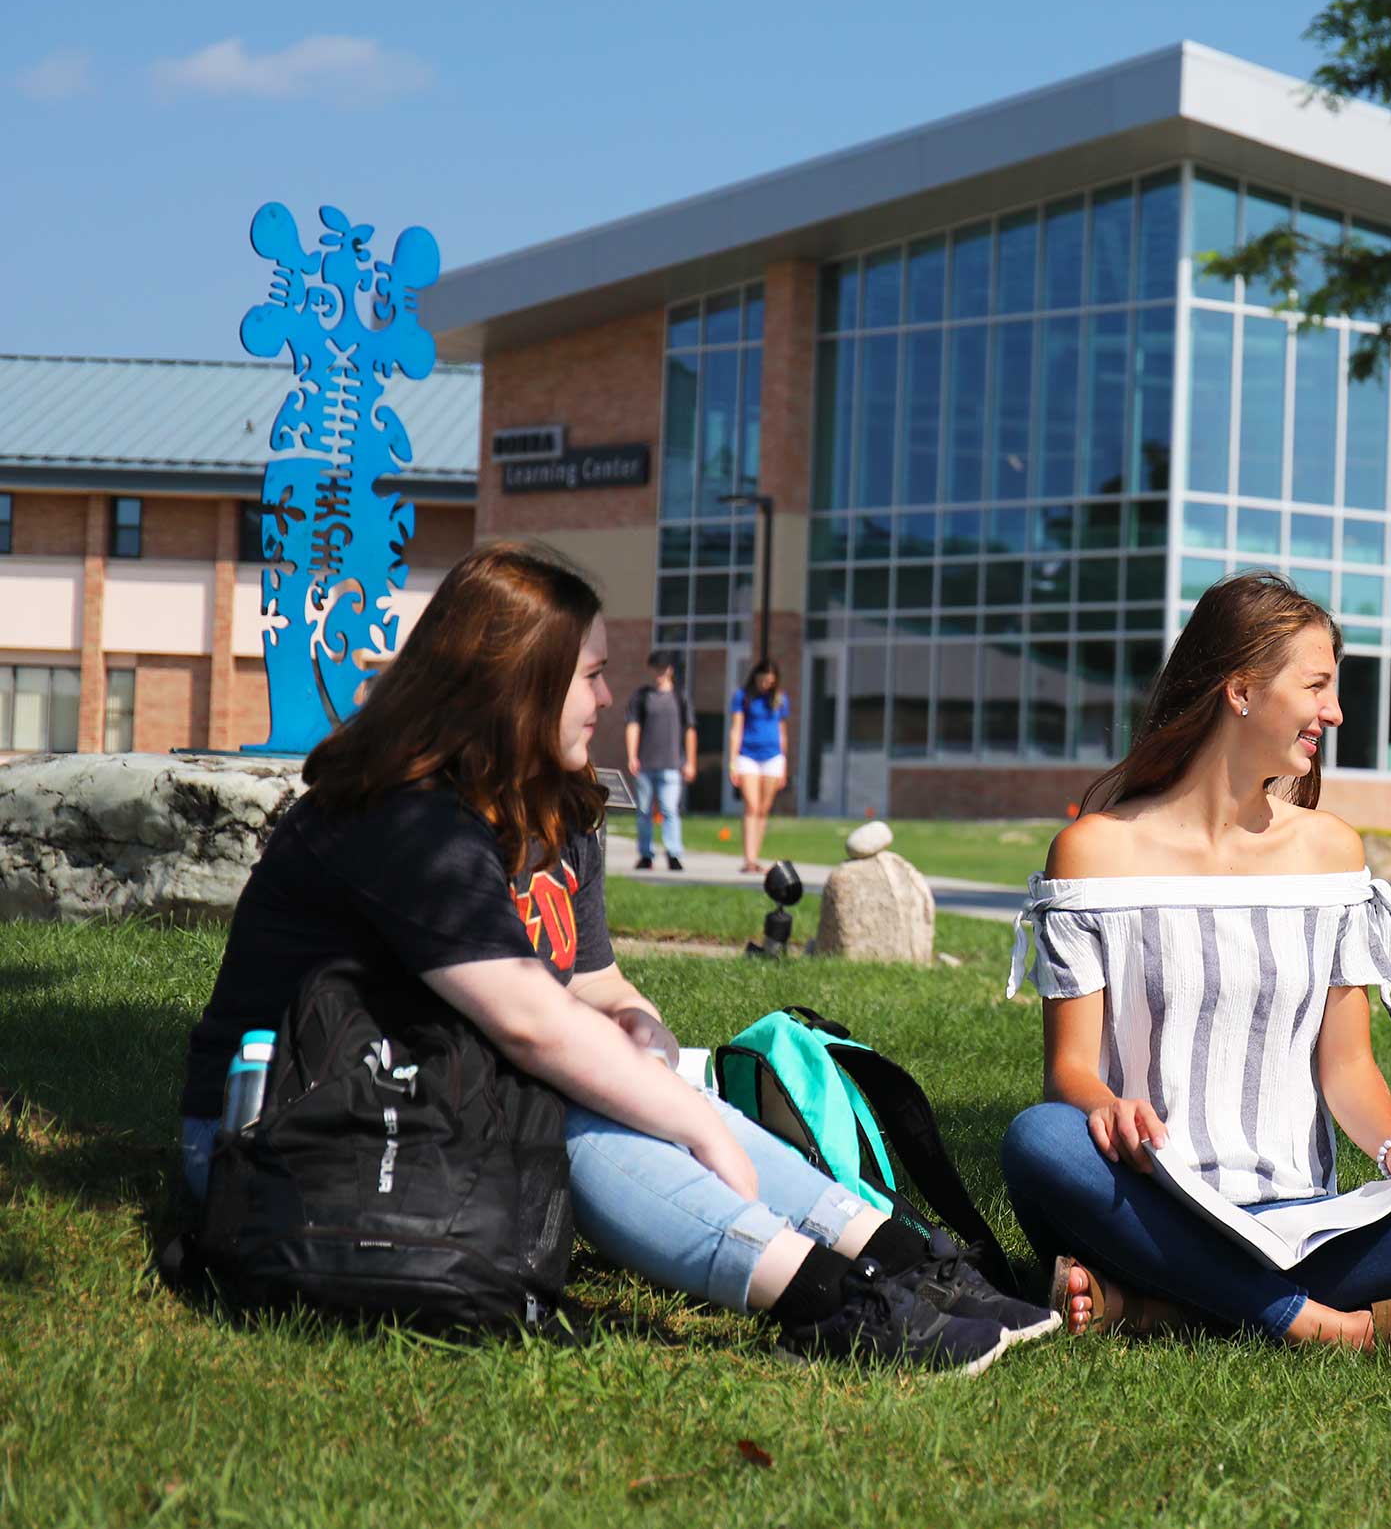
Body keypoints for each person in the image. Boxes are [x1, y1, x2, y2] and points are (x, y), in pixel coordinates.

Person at [176, 542, 1052, 1373]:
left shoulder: (555, 809)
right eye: (590, 675)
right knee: (569, 1091)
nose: (609, 699)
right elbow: (532, 1022)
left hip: (435, 1103)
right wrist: (694, 1121)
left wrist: (645, 1033)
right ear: (517, 685)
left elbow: (592, 985)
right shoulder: (405, 819)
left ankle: (894, 1256)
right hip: (294, 1134)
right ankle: (828, 1300)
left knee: (615, 1076)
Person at [998, 571, 1391, 1356]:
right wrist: (1106, 1105)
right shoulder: (1094, 851)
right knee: (1041, 1140)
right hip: (1150, 1197)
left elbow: (1346, 1065)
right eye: (1317, 686)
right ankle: (1333, 1328)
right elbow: (1068, 1072)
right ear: (1240, 691)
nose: (1335, 713)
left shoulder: (1331, 854)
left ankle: (1150, 1306)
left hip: (1299, 1217)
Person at [624, 650, 695, 872]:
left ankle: (673, 853)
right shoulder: (642, 697)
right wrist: (632, 755)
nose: (659, 673)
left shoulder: (679, 697)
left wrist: (690, 761)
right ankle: (646, 854)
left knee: (669, 810)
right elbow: (633, 725)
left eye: (663, 668)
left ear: (670, 670)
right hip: (646, 764)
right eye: (656, 668)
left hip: (672, 764)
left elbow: (690, 730)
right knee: (644, 811)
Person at [727, 659, 789, 875]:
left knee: (763, 810)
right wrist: (733, 761)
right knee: (751, 807)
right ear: (756, 676)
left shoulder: (780, 699)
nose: (766, 684)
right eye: (763, 680)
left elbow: (782, 732)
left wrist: (784, 763)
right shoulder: (742, 697)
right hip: (748, 756)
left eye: (770, 681)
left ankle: (756, 856)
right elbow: (736, 729)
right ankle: (749, 859)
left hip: (773, 757)